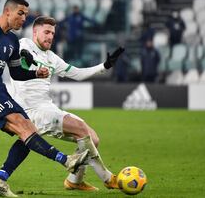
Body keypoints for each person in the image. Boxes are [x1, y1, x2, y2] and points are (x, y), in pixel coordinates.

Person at [0, 0, 88, 197]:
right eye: (20, 13)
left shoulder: (11, 40)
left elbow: (17, 73)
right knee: (22, 125)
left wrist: (36, 73)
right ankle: (66, 161)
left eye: (26, 14)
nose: (24, 18)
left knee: (29, 131)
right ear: (7, 12)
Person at [7, 16, 124, 191]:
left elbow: (77, 74)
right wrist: (24, 57)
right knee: (81, 129)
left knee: (92, 139)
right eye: (46, 32)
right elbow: (19, 56)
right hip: (31, 111)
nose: (50, 37)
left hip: (47, 107)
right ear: (35, 32)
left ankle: (74, 181)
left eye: (52, 33)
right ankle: (107, 178)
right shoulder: (24, 44)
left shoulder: (52, 58)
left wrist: (105, 66)